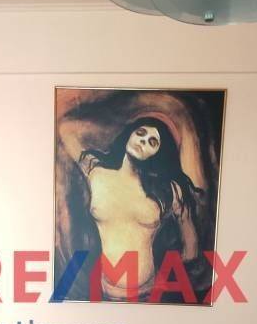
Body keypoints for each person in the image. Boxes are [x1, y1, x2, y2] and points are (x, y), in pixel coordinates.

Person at [60, 116, 203, 301]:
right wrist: (113, 121)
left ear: (159, 153)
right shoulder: (95, 173)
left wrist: (167, 280)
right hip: (103, 292)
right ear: (129, 134)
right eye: (140, 133)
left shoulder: (169, 190)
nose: (142, 141)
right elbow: (65, 129)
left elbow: (191, 251)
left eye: (152, 142)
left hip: (150, 294)